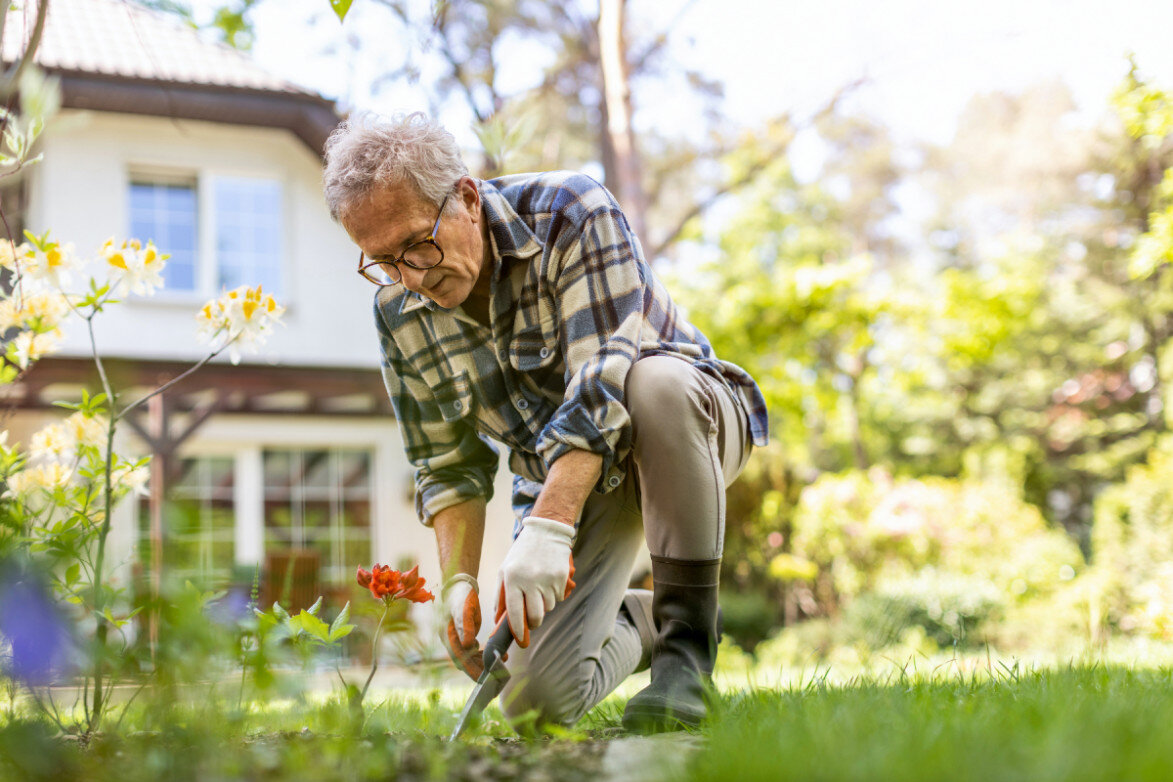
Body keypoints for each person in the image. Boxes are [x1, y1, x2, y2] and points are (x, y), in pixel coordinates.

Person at [322, 112, 768, 733]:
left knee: (653, 383)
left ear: (467, 199)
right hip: (571, 482)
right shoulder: (399, 313)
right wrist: (459, 583)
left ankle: (685, 657)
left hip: (683, 430)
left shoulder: (569, 210)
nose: (413, 278)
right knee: (538, 702)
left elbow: (601, 382)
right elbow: (447, 465)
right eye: (385, 262)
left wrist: (550, 527)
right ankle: (654, 616)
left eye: (419, 245)